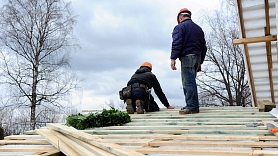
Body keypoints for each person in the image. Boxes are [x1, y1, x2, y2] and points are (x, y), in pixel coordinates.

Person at [170, 8, 207, 114]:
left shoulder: (179, 27)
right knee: (191, 81)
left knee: (188, 82)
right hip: (197, 57)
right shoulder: (198, 29)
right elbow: (204, 47)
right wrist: (200, 62)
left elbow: (177, 43)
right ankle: (191, 104)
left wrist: (173, 58)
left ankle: (192, 107)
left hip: (187, 57)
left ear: (180, 18)